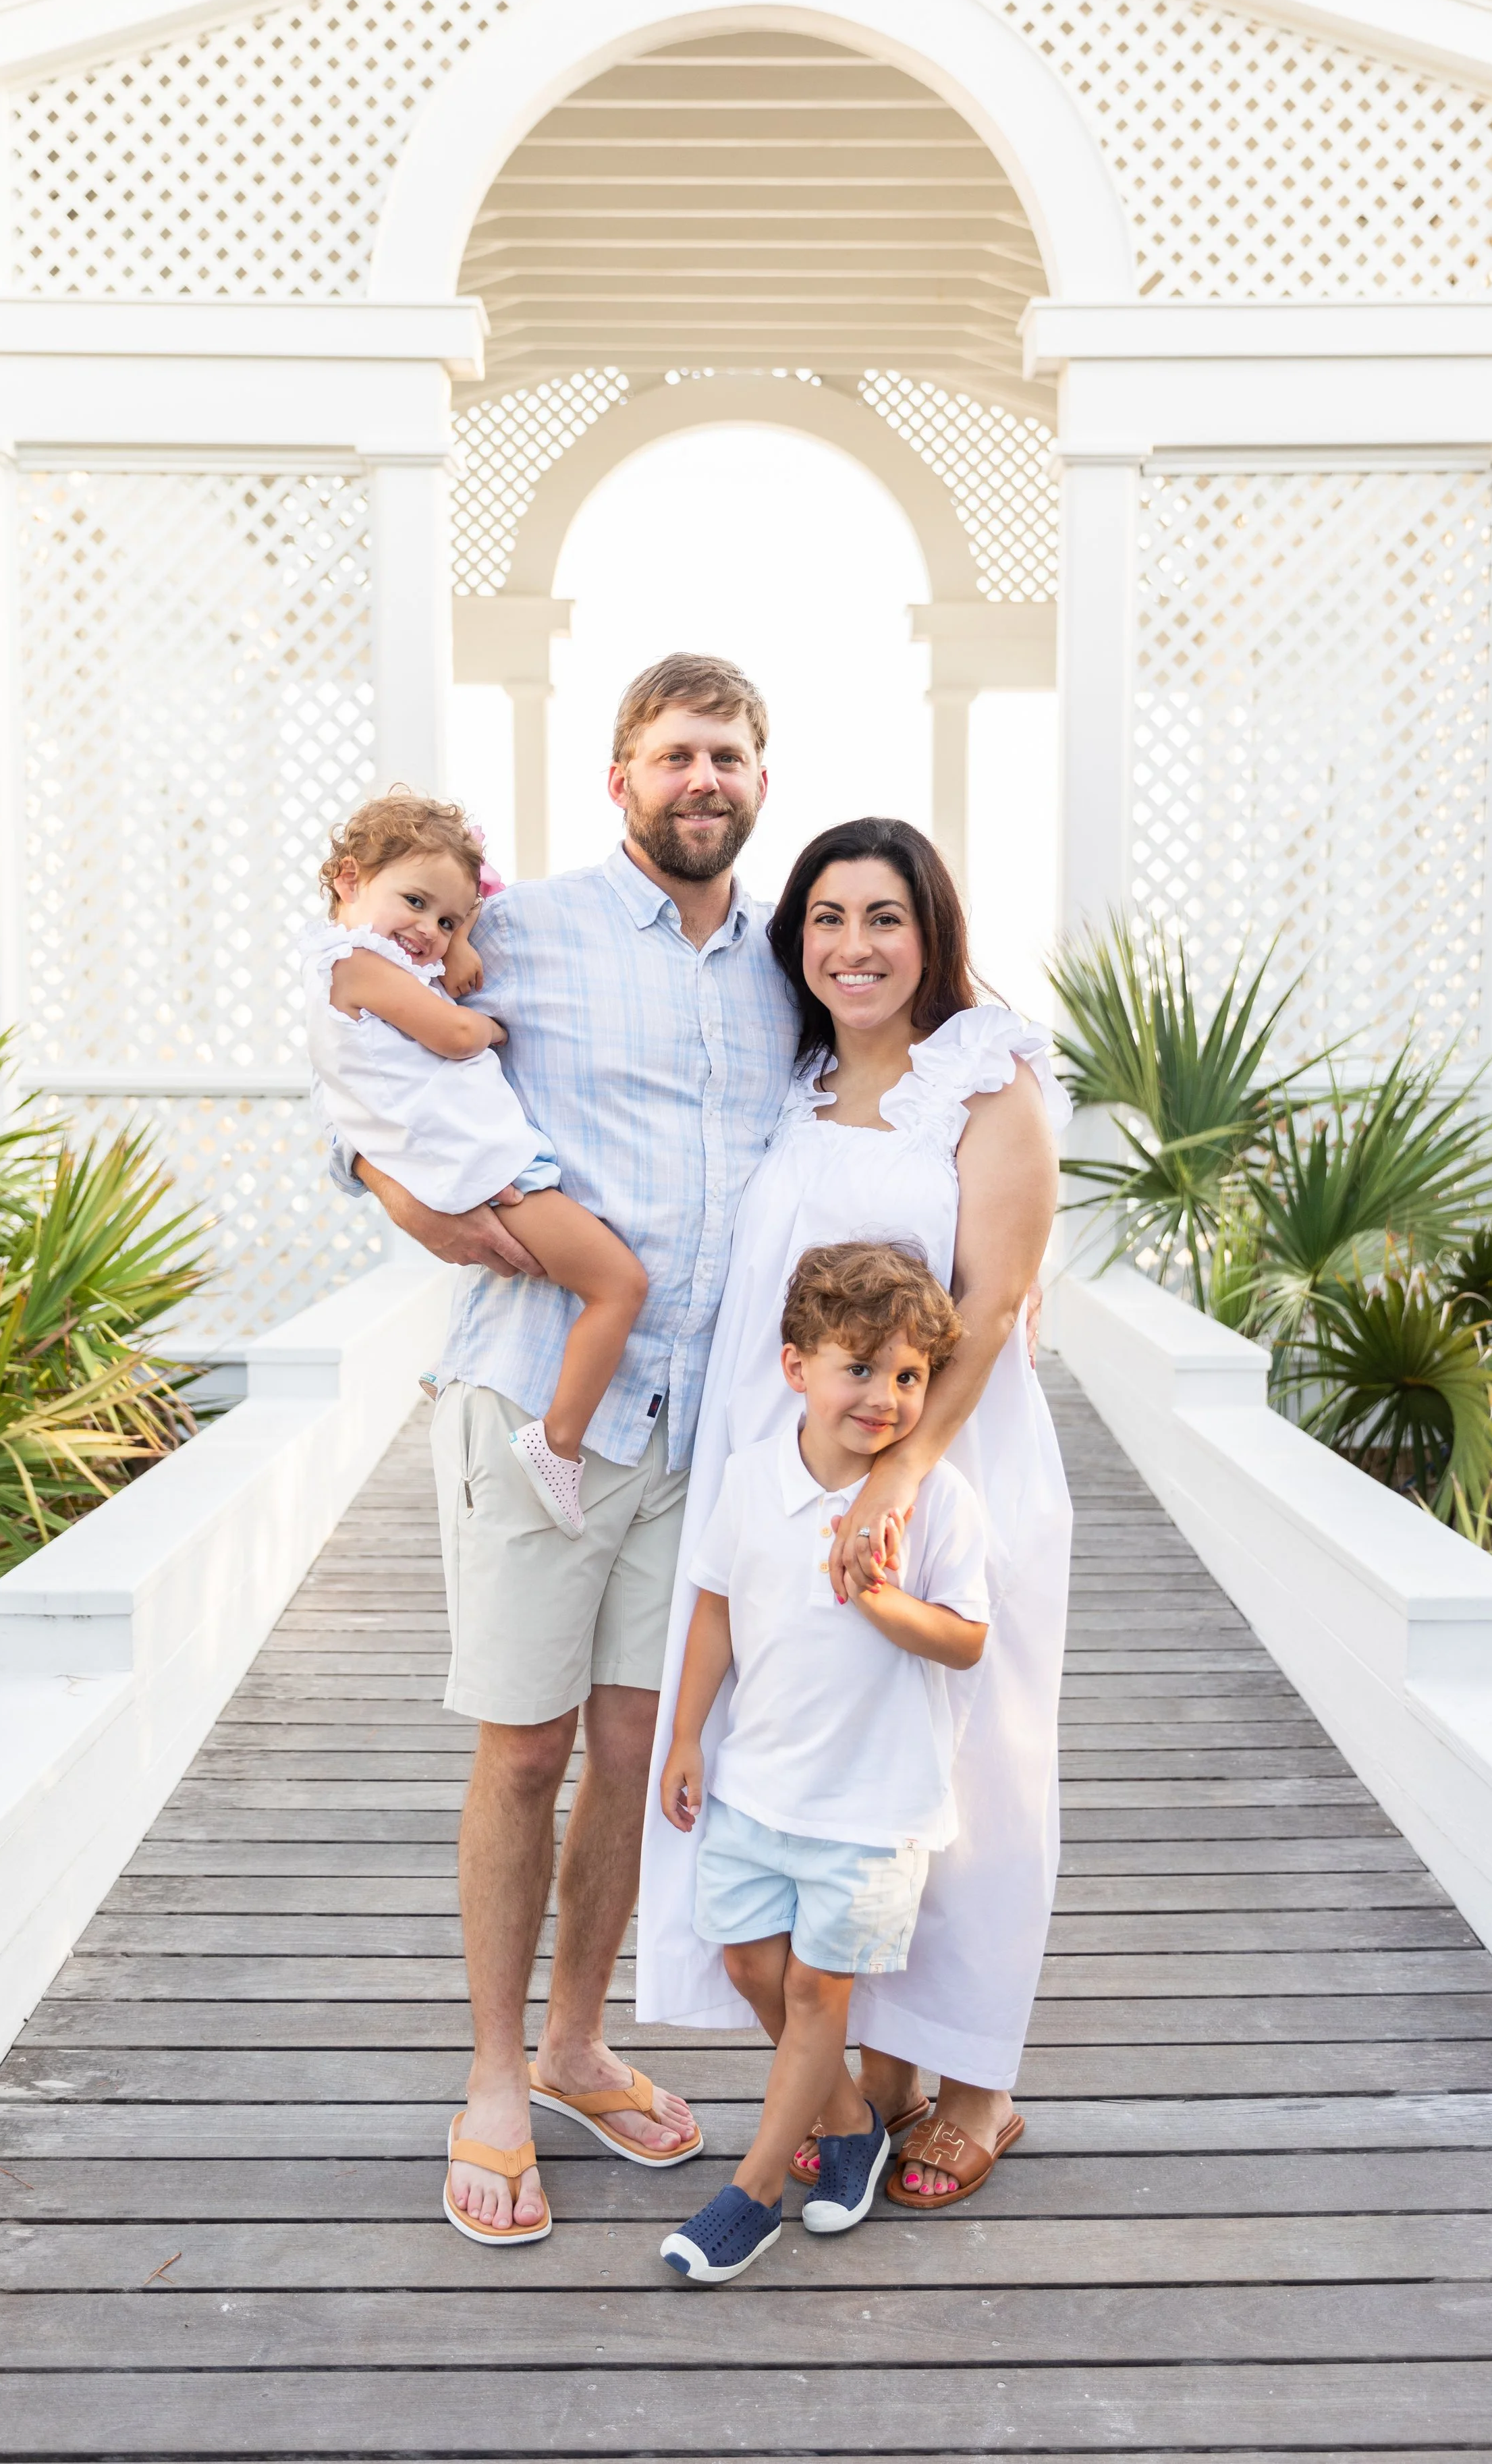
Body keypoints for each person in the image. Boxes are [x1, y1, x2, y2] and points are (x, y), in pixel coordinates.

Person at [336, 657, 798, 2245]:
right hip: (541, 1393)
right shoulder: (514, 929)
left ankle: (578, 2039)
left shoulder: (787, 962)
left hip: (704, 1422)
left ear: (758, 778)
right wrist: (415, 1205)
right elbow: (359, 1070)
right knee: (522, 1748)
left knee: (626, 1748)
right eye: (675, 753)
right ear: (619, 778)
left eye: (728, 755)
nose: (703, 779)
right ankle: (486, 2071)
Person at [637, 815, 1072, 2212]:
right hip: (781, 1483)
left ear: (930, 934)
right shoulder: (799, 1081)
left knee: (968, 1774)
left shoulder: (984, 1083)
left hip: (945, 1468)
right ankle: (876, 2058)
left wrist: (897, 1478)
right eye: (826, 919)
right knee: (820, 1762)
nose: (852, 946)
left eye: (882, 918)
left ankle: (980, 2086)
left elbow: (995, 1302)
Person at [656, 1242, 989, 2283]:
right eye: (861, 1368)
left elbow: (970, 1638)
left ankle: (754, 2191)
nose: (886, 1398)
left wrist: (886, 1601)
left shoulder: (937, 1506)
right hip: (759, 1786)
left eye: (909, 1377)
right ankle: (850, 2123)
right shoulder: (754, 1479)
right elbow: (714, 1605)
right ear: (797, 1366)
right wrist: (683, 1733)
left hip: (871, 1809)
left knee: (815, 1990)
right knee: (752, 1961)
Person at [303, 793, 647, 1536]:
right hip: (491, 1168)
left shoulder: (378, 954)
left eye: (449, 918)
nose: (429, 930)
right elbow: (454, 1033)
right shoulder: (355, 963)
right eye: (416, 903)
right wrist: (494, 1026)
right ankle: (557, 1442)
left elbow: (464, 908)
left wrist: (454, 937)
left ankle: (450, 1361)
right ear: (349, 879)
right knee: (619, 1284)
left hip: (476, 1159)